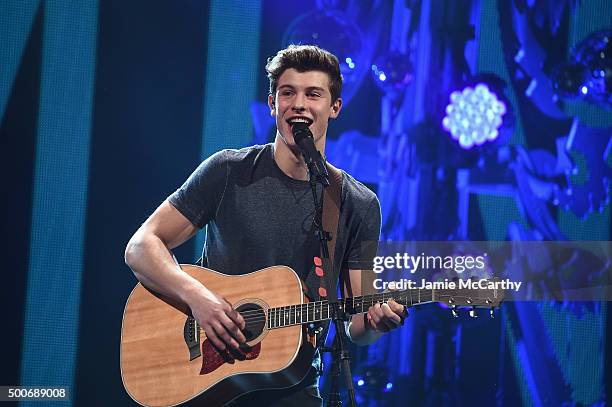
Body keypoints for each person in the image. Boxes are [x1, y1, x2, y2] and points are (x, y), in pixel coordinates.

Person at [124, 44, 407, 406]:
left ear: (334, 108)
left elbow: (356, 324)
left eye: (313, 94)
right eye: (288, 93)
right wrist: (198, 298)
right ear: (273, 104)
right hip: (206, 378)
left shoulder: (359, 204)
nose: (299, 104)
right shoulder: (228, 171)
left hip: (291, 385)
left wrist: (376, 323)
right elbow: (141, 246)